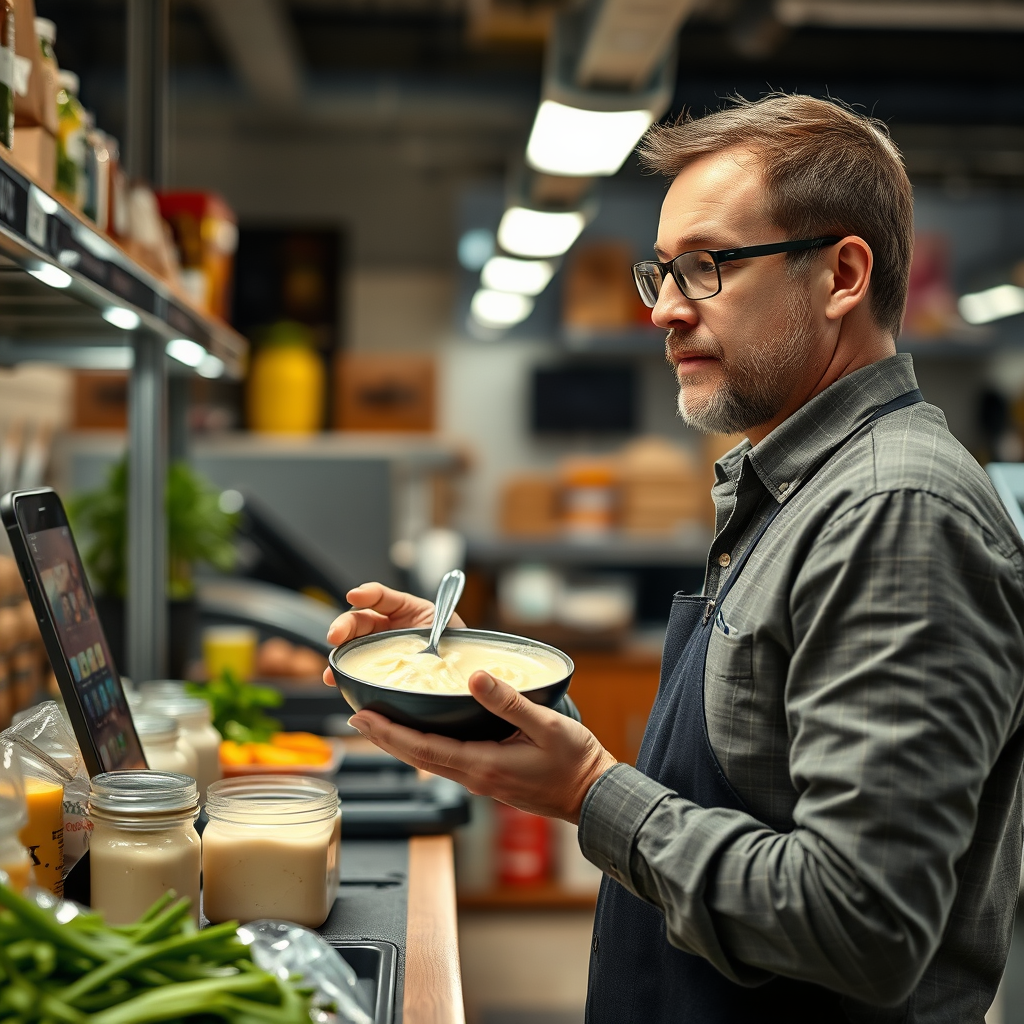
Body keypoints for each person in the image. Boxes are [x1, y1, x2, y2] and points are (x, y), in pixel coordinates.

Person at [323, 94, 1024, 1022]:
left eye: (705, 267)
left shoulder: (894, 511)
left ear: (843, 273)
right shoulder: (802, 487)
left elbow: (861, 923)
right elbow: (746, 783)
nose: (662, 310)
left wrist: (589, 791)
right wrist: (487, 689)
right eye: (663, 272)